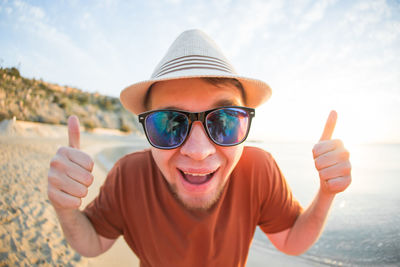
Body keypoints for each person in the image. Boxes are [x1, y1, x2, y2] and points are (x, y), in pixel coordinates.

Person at [47, 29, 352, 266]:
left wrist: (326, 193)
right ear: (146, 129)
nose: (198, 150)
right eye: (169, 123)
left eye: (225, 121)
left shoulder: (258, 169)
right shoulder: (129, 175)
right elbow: (92, 243)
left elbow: (291, 242)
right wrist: (65, 209)